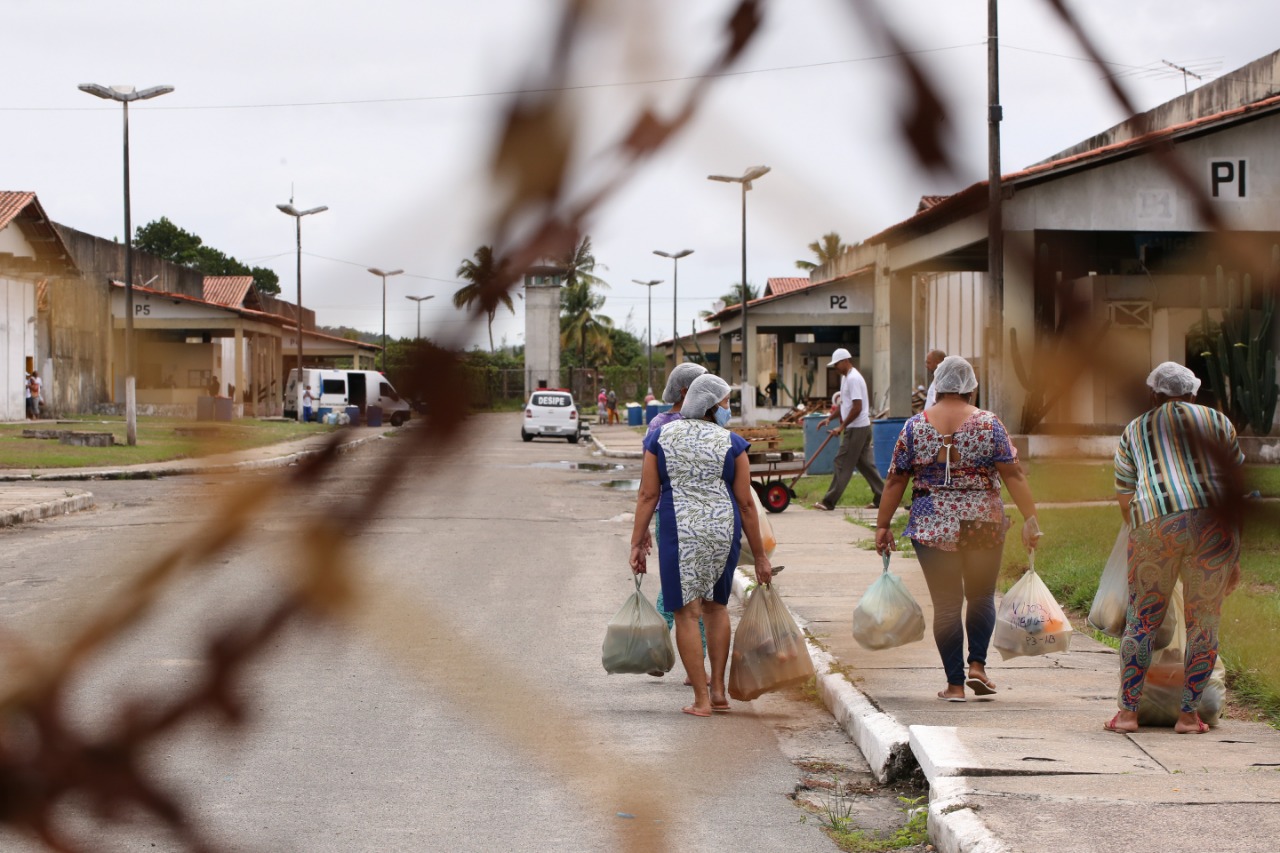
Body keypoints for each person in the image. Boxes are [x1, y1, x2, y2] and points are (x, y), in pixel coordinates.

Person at [874, 356, 1040, 702]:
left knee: (947, 604)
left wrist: (882, 524)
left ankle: (954, 685)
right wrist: (1030, 517)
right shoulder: (989, 423)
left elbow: (895, 479)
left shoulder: (915, 426)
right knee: (980, 595)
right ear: (970, 387)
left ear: (938, 384)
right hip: (983, 520)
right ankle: (978, 664)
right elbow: (1013, 474)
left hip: (932, 523)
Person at [1106, 361, 1244, 735]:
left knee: (1143, 622)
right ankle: (1187, 716)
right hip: (1214, 528)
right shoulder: (1218, 422)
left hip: (1157, 524)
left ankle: (1128, 714)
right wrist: (1234, 555)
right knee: (1204, 623)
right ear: (1193, 393)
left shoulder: (1136, 428)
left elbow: (1125, 498)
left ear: (1154, 395)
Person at [630, 373, 773, 717]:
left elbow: (649, 494)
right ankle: (720, 691)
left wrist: (637, 542)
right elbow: (747, 504)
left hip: (680, 532)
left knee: (686, 613)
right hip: (723, 531)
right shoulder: (732, 443)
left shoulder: (660, 437)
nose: (728, 409)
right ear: (710, 405)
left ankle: (701, 700)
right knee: (716, 608)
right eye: (725, 403)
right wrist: (761, 557)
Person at [644, 362, 709, 674]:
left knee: (685, 585)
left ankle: (681, 659)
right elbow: (650, 481)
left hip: (680, 516)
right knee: (694, 587)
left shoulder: (663, 423)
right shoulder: (663, 424)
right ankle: (678, 657)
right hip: (685, 515)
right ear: (687, 391)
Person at [814, 348, 884, 511]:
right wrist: (830, 418)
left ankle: (828, 501)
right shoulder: (846, 378)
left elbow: (857, 407)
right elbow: (845, 404)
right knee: (865, 463)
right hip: (860, 427)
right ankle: (882, 496)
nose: (836, 367)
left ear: (846, 361)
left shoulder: (853, 378)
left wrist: (842, 426)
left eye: (837, 363)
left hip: (857, 428)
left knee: (842, 462)